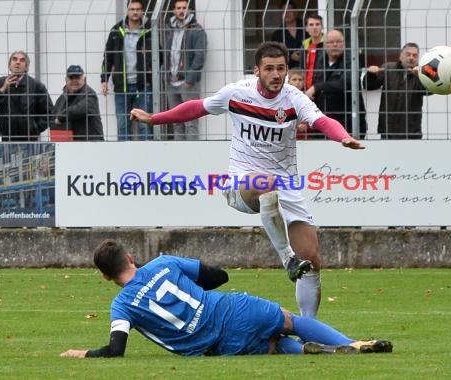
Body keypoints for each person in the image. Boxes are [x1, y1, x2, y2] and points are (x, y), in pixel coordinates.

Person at [130, 42, 365, 318]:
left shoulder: (293, 98)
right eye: (269, 69)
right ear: (257, 71)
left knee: (312, 259)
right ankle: (287, 259)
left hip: (285, 185)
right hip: (241, 185)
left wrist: (343, 137)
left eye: (281, 69)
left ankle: (309, 326)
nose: (276, 75)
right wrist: (154, 120)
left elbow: (322, 121)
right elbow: (197, 107)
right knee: (266, 183)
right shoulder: (237, 93)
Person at [60, 239, 393, 358]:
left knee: (274, 346)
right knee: (289, 320)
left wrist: (83, 353)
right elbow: (220, 276)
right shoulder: (162, 264)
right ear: (131, 257)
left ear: (105, 277)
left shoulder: (120, 306)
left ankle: (307, 350)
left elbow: (116, 350)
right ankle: (351, 343)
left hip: (215, 345)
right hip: (230, 309)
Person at [101, 0, 152, 141]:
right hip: (121, 86)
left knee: (145, 124)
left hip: (143, 85)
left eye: (138, 9)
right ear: (127, 11)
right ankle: (123, 159)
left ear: (142, 11)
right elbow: (107, 57)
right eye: (132, 9)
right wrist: (104, 80)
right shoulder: (116, 31)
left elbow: (159, 54)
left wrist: (150, 69)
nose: (135, 12)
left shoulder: (149, 31)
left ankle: (148, 157)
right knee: (123, 125)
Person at [304, 29, 367, 140]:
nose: (335, 45)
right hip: (323, 120)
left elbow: (346, 83)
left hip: (347, 121)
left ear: (344, 44)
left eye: (338, 42)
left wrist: (316, 88)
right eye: (331, 42)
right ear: (325, 44)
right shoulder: (320, 60)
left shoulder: (352, 59)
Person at [0, 50, 53, 142]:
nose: (18, 62)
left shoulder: (36, 85)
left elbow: (50, 112)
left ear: (26, 67)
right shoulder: (1, 82)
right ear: (9, 65)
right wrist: (3, 89)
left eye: (22, 60)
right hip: (6, 138)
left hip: (30, 140)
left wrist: (35, 129)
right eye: (14, 59)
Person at [363, 42, 430, 139]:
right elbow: (369, 86)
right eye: (408, 54)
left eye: (415, 55)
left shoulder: (421, 73)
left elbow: (429, 91)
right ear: (400, 56)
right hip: (388, 129)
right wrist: (370, 74)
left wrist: (421, 76)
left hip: (411, 130)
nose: (411, 57)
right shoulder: (388, 68)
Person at [164, 0, 207, 141]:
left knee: (190, 122)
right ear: (174, 10)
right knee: (176, 122)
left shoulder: (197, 30)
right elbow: (165, 54)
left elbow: (200, 56)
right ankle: (179, 158)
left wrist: (190, 79)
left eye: (184, 8)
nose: (181, 10)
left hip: (188, 83)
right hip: (171, 82)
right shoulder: (169, 29)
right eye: (178, 8)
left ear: (190, 10)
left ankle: (192, 157)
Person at [52, 65, 104, 141]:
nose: (74, 80)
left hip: (92, 143)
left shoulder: (90, 94)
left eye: (77, 77)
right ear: (66, 80)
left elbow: (81, 109)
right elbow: (53, 117)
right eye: (71, 77)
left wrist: (61, 117)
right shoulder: (61, 99)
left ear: (84, 79)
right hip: (70, 145)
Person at [270, 0, 308, 69]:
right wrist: (290, 56)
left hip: (309, 68)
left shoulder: (307, 28)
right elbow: (274, 55)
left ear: (296, 12)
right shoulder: (277, 34)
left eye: (289, 10)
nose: (286, 13)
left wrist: (304, 55)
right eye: (283, 11)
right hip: (288, 71)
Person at [300, 14, 324, 91]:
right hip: (306, 89)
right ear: (306, 28)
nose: (314, 27)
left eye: (317, 24)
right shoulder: (304, 45)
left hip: (322, 88)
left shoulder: (328, 44)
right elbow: (302, 68)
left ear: (322, 27)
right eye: (311, 25)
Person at [288, 68, 314, 140]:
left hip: (305, 137)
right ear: (289, 81)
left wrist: (307, 126)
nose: (297, 82)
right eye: (294, 80)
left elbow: (312, 116)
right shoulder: (284, 97)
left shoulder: (308, 98)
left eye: (300, 80)